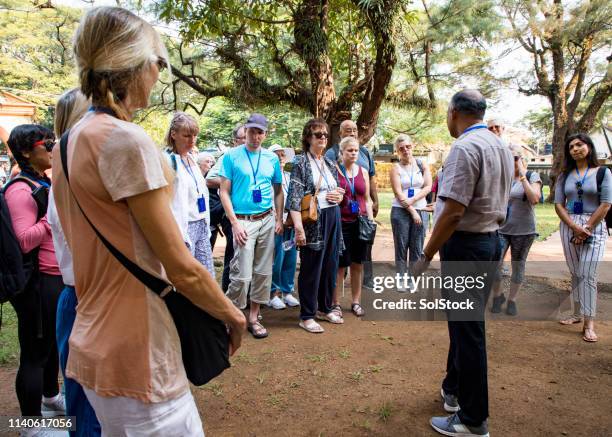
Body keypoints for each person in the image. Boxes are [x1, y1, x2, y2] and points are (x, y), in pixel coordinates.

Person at [53, 7, 245, 434]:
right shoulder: (126, 140)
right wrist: (234, 315)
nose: (159, 72)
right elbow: (180, 265)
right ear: (131, 63)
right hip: (139, 351)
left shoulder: (67, 143)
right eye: (158, 61)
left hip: (93, 339)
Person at [414, 89, 513, 436]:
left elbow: (453, 212)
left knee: (468, 331)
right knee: (463, 326)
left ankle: (473, 419)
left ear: (454, 112)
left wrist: (425, 255)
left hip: (467, 247)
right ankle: (453, 389)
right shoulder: (500, 144)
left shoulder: (465, 148)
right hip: (489, 243)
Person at [4, 124, 66, 428]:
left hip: (53, 276)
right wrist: (49, 219)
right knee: (35, 350)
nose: (52, 147)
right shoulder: (21, 189)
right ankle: (30, 424)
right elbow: (24, 239)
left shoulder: (41, 181)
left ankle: (51, 397)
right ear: (28, 151)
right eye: (47, 143)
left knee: (51, 343)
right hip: (37, 282)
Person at [48, 88, 102, 437]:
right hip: (84, 298)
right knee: (86, 407)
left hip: (91, 299)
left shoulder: (72, 175)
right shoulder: (67, 178)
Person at [219, 113, 284, 339]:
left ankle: (253, 318)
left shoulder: (271, 159)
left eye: (260, 132)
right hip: (243, 220)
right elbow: (223, 191)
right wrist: (234, 223)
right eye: (252, 131)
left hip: (266, 219)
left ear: (265, 134)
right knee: (241, 274)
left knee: (263, 271)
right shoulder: (231, 156)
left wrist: (278, 219)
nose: (255, 136)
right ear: (245, 131)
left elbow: (278, 190)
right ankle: (233, 317)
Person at [287, 118, 345, 333]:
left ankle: (325, 307)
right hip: (313, 222)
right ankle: (307, 315)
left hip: (333, 217)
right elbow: (293, 198)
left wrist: (339, 196)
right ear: (308, 138)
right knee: (311, 267)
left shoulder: (329, 162)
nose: (323, 138)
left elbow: (338, 190)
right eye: (318, 134)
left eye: (325, 135)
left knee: (330, 264)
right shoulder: (301, 162)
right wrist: (299, 229)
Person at [555, 133, 611, 342]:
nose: (575, 149)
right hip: (569, 225)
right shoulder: (564, 175)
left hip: (593, 225)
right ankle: (576, 314)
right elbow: (559, 204)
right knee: (576, 273)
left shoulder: (602, 172)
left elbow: (606, 204)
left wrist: (585, 228)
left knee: (587, 274)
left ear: (589, 147)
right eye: (571, 147)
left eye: (579, 145)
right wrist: (573, 226)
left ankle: (589, 323)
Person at [325, 120, 378, 288]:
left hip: (361, 213)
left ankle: (367, 281)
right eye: (348, 130)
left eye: (355, 130)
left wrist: (375, 200)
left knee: (362, 253)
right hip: (342, 216)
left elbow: (371, 177)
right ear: (340, 134)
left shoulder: (365, 153)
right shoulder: (331, 154)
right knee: (342, 260)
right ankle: (337, 295)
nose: (352, 133)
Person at [490, 145, 541, 316]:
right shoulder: (501, 177)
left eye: (515, 158)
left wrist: (522, 176)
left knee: (518, 266)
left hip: (524, 230)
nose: (511, 161)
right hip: (502, 229)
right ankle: (498, 296)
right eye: (507, 157)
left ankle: (512, 300)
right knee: (494, 264)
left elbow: (534, 199)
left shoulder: (532, 176)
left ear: (522, 158)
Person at [164, 112, 215, 276]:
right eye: (186, 135)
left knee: (207, 276)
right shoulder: (167, 160)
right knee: (187, 277)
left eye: (195, 136)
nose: (192, 141)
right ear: (174, 134)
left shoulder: (192, 158)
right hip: (184, 227)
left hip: (201, 223)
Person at [332, 136, 373, 317]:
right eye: (350, 150)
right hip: (342, 223)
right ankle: (336, 303)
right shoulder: (335, 171)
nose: (354, 153)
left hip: (361, 222)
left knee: (358, 264)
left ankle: (356, 302)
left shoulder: (363, 171)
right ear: (341, 152)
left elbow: (367, 199)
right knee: (340, 265)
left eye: (356, 150)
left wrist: (370, 221)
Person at [389, 134, 432, 286]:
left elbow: (428, 186)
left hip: (420, 209)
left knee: (417, 246)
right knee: (401, 246)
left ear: (412, 146)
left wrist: (413, 201)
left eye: (408, 147)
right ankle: (401, 279)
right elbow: (398, 193)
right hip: (400, 211)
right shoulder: (395, 168)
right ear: (397, 151)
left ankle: (413, 279)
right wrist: (412, 211)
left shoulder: (422, 164)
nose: (405, 150)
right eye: (401, 148)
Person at [208, 124, 246, 291]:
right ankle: (228, 295)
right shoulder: (228, 157)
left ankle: (246, 297)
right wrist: (234, 182)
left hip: (254, 215)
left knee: (248, 258)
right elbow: (209, 179)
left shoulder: (257, 157)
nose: (247, 140)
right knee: (233, 256)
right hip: (232, 215)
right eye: (243, 138)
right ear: (235, 141)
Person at [268, 144, 300, 310]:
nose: (280, 158)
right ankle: (273, 293)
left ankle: (287, 291)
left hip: (291, 223)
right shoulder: (268, 176)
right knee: (276, 259)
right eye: (277, 155)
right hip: (277, 223)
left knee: (291, 258)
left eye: (282, 155)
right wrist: (277, 219)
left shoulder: (288, 175)